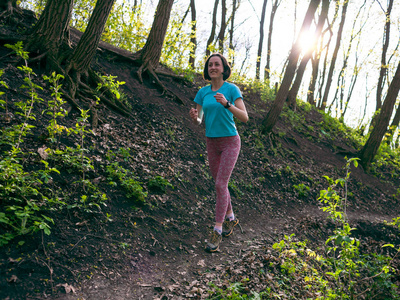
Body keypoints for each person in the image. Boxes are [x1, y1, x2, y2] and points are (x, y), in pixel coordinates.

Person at [189, 53, 248, 252]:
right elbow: (199, 120)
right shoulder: (203, 93)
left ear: (223, 68)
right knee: (221, 185)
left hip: (230, 141)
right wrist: (195, 118)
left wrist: (227, 104)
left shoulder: (231, 89)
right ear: (207, 70)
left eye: (217, 64)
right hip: (211, 142)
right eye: (210, 65)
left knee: (220, 184)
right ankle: (231, 218)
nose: (213, 67)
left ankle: (217, 229)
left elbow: (244, 118)